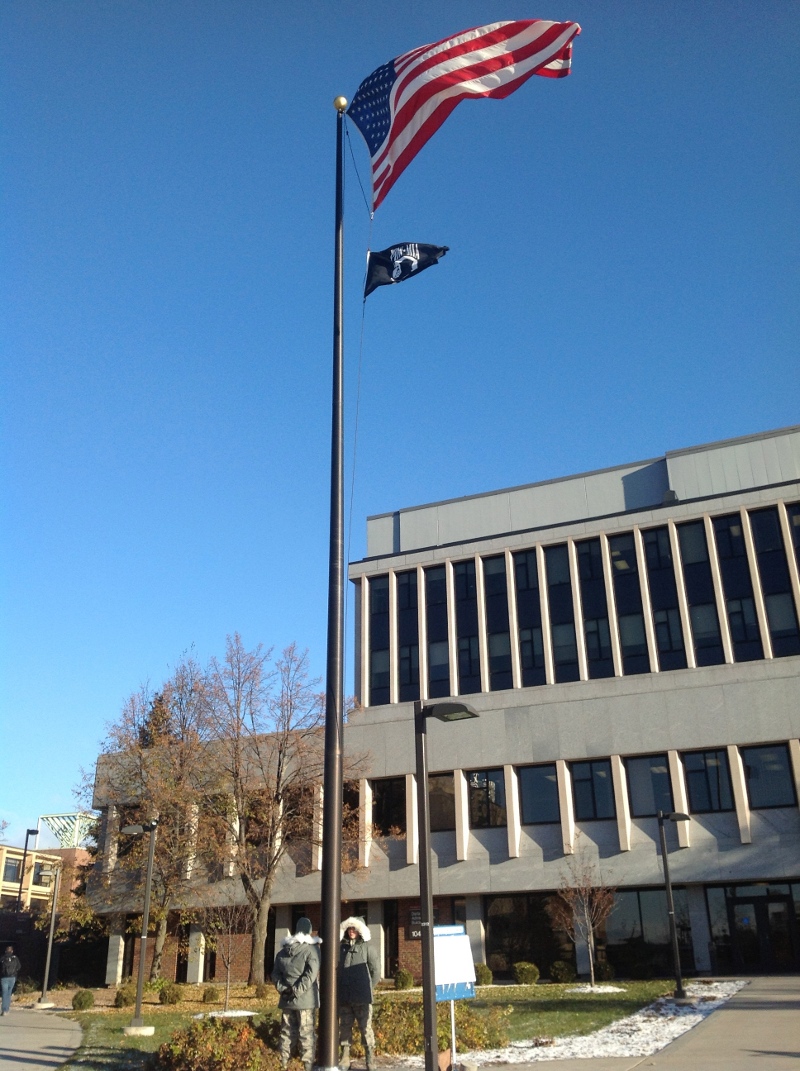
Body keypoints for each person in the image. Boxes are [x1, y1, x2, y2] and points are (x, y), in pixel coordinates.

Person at [271, 917, 322, 1071]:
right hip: (305, 1000)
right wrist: (297, 990)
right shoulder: (311, 950)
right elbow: (310, 975)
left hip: (286, 999)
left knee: (286, 1031)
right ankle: (307, 1064)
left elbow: (275, 974)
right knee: (306, 1032)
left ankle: (284, 1061)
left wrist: (283, 989)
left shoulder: (282, 952)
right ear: (308, 931)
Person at [338, 917, 381, 1071]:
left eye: (354, 929)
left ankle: (370, 1060)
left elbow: (376, 972)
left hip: (362, 998)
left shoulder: (369, 948)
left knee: (365, 1029)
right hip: (344, 998)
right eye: (349, 929)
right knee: (344, 1028)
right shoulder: (341, 948)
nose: (351, 931)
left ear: (360, 930)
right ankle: (344, 1057)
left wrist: (367, 987)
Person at [1, 946, 21, 1016]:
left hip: (4, 978)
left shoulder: (2, 958)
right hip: (12, 978)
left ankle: (4, 1010)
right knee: (9, 994)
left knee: (4, 993)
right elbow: (19, 967)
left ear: (6, 951)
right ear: (12, 951)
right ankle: (7, 1009)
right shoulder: (15, 958)